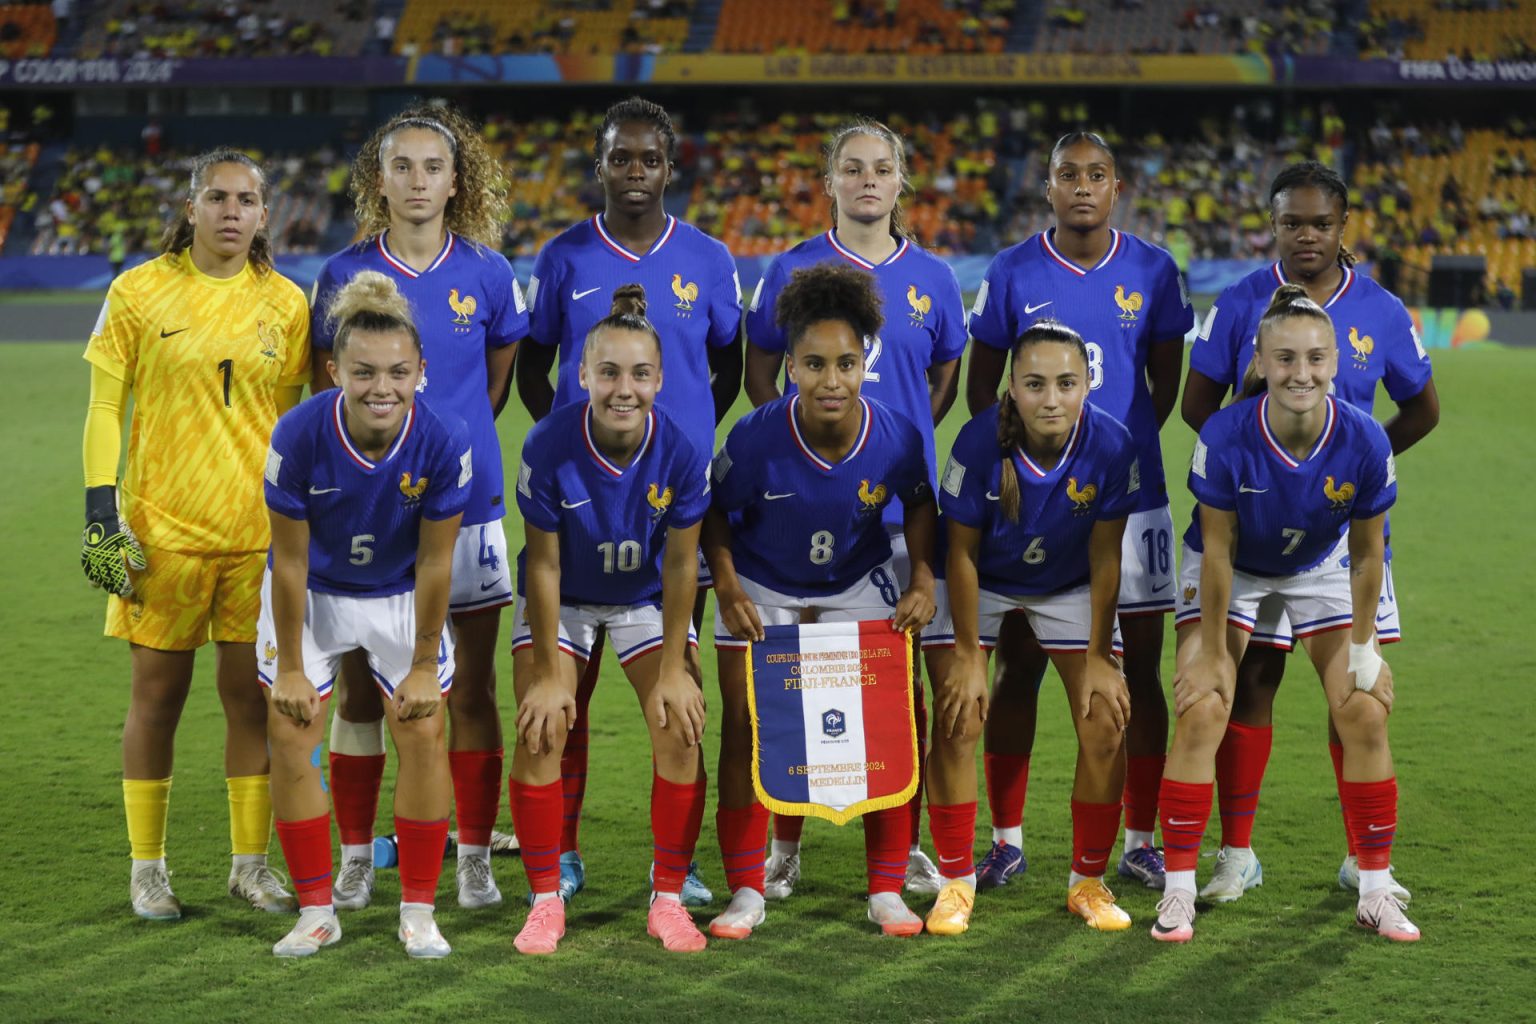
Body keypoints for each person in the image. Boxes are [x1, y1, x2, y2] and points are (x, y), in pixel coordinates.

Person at [1182, 161, 1437, 903]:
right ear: (1272, 224)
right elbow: (1200, 406)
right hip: (1252, 538)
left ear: (1343, 226)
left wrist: (1349, 479)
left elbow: (1423, 410)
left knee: (1351, 695)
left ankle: (1365, 860)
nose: (1306, 235)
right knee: (1250, 682)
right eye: (1291, 221)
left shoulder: (1384, 312)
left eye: (1320, 222)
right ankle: (1237, 855)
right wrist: (1256, 474)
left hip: (1339, 545)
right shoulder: (1237, 303)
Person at [517, 96, 742, 904]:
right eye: (621, 158)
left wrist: (670, 434)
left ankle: (674, 868)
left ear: (670, 169)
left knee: (681, 691)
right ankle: (564, 856)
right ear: (602, 165)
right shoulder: (564, 257)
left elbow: (727, 363)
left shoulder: (710, 259)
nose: (635, 172)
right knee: (561, 696)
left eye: (650, 159)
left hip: (675, 506)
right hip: (582, 507)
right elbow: (535, 365)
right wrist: (577, 447)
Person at [80, 148, 309, 921]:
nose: (232, 211)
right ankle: (148, 870)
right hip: (162, 530)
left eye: (248, 199)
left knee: (253, 703)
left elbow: (292, 422)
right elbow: (106, 409)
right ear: (190, 207)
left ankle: (250, 867)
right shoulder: (137, 292)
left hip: (258, 536)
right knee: (157, 698)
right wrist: (99, 513)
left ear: (266, 214)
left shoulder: (285, 302)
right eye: (217, 197)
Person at [741, 117, 966, 901]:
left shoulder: (933, 276)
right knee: (791, 683)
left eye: (881, 168)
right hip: (805, 517)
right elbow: (759, 375)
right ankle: (784, 843)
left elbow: (946, 377)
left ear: (901, 181)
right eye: (851, 168)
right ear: (830, 181)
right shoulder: (792, 268)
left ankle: (904, 852)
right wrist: (807, 457)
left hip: (904, 515)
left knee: (901, 691)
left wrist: (889, 447)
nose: (867, 180)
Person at [310, 104, 527, 913]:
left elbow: (494, 382)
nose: (418, 182)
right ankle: (359, 856)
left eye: (433, 167)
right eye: (401, 167)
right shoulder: (341, 274)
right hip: (368, 516)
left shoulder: (489, 274)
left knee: (468, 689)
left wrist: (449, 446)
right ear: (380, 179)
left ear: (455, 179)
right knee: (363, 693)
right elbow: (326, 387)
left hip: (466, 510)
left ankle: (472, 854)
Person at [1153, 284, 1418, 944]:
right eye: (1286, 359)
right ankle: (1179, 890)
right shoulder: (1225, 434)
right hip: (1233, 569)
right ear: (1263, 363)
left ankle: (1376, 887)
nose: (1302, 373)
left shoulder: (1363, 440)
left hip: (1323, 568)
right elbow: (1217, 547)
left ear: (1337, 363)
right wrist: (1212, 649)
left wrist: (1363, 648)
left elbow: (1365, 554)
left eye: (1317, 358)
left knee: (1362, 706)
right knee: (1203, 705)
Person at [965, 131, 1192, 890]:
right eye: (1069, 175)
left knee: (1142, 672)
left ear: (1116, 185)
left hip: (1134, 500)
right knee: (1018, 666)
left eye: (1097, 174)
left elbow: (1162, 386)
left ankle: (1138, 838)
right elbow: (984, 388)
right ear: (1049, 187)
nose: (1083, 187)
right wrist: (1021, 469)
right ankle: (1005, 840)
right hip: (1027, 499)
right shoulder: (1011, 269)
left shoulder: (1156, 271)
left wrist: (1105, 465)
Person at [704, 263, 937, 940]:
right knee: (748, 725)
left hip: (854, 583)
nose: (831, 380)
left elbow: (919, 507)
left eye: (846, 363)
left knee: (892, 720)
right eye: (813, 364)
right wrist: (725, 584)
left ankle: (887, 889)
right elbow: (713, 517)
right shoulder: (754, 439)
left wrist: (921, 577)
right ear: (790, 369)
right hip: (762, 584)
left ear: (868, 362)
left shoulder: (895, 435)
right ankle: (750, 886)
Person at [260, 270, 469, 958]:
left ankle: (417, 911)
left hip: (400, 595)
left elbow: (436, 563)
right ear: (334, 371)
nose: (383, 387)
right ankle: (317, 912)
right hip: (313, 593)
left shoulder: (443, 443)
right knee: (290, 733)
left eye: (399, 372)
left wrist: (420, 664)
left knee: (424, 728)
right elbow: (288, 562)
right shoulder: (296, 437)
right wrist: (290, 666)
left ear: (421, 372)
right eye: (364, 372)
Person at [509, 285, 712, 955]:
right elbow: (541, 565)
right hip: (563, 597)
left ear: (660, 378)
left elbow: (684, 566)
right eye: (609, 372)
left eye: (640, 374)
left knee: (681, 727)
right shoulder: (547, 446)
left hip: (643, 599)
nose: (624, 389)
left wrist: (679, 667)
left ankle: (669, 899)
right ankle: (544, 901)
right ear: (583, 376)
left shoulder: (681, 452)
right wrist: (545, 675)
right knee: (542, 728)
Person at [922, 321, 1137, 936]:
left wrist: (1099, 654)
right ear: (1010, 388)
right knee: (958, 711)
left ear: (1088, 384)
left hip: (1067, 584)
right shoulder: (976, 442)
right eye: (1035, 383)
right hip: (977, 580)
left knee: (1105, 718)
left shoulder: (1113, 446)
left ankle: (1088, 882)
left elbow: (1105, 555)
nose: (1051, 398)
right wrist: (966, 652)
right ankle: (956, 882)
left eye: (1067, 383)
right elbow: (959, 553)